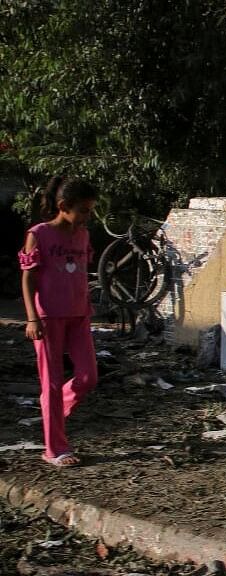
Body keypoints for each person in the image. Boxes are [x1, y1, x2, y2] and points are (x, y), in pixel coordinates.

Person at [19, 177, 99, 467]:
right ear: (63, 206)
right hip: (48, 317)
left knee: (88, 377)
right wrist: (31, 318)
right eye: (83, 210)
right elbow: (27, 278)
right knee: (50, 383)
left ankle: (55, 411)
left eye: (90, 210)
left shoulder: (83, 235)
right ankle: (55, 449)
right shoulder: (39, 234)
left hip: (79, 314)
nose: (87, 216)